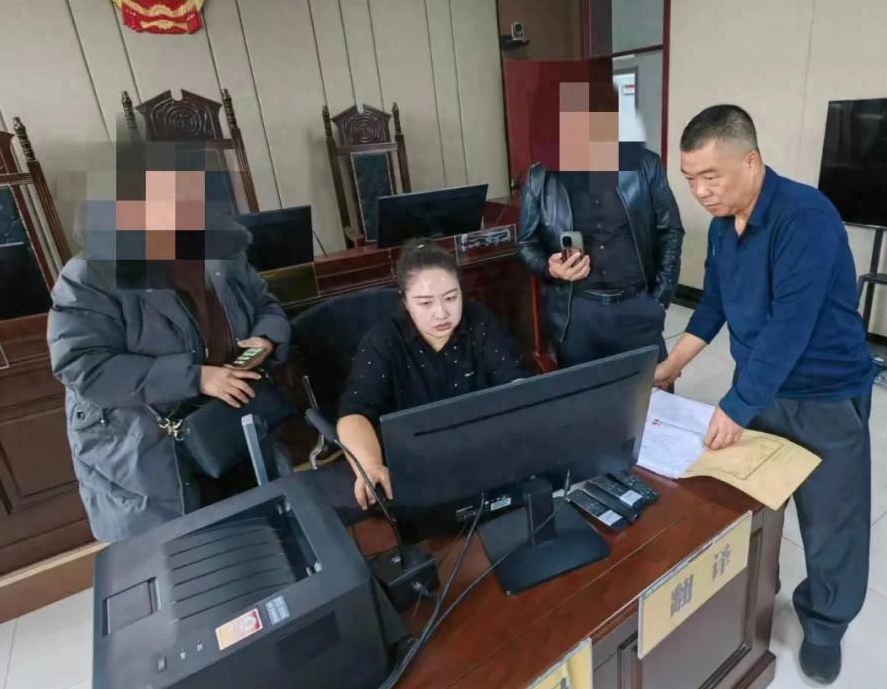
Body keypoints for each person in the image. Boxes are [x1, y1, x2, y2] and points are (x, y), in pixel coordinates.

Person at [656, 105, 875, 684]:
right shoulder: (722, 226)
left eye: (711, 176)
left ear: (751, 162)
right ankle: (755, 594)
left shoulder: (805, 217)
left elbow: (789, 326)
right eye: (690, 179)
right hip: (761, 385)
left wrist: (735, 406)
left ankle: (824, 624)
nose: (700, 192)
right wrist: (671, 365)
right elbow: (714, 304)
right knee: (754, 506)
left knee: (832, 522)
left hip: (825, 393)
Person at [47, 169, 291, 543]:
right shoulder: (89, 274)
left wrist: (266, 338)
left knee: (262, 536)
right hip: (148, 448)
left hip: (230, 423)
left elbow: (266, 305)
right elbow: (84, 366)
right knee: (185, 556)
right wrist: (197, 376)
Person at [336, 239, 529, 509]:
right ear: (405, 301)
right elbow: (354, 414)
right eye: (425, 303)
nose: (441, 313)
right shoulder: (384, 341)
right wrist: (370, 465)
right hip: (414, 467)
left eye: (451, 298)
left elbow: (515, 382)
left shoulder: (480, 322)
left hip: (483, 455)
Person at [517, 78, 684, 367]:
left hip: (637, 306)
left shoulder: (646, 165)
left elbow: (670, 231)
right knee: (584, 394)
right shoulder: (540, 178)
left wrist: (659, 299)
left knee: (650, 390)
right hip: (577, 313)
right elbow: (525, 245)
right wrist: (549, 267)